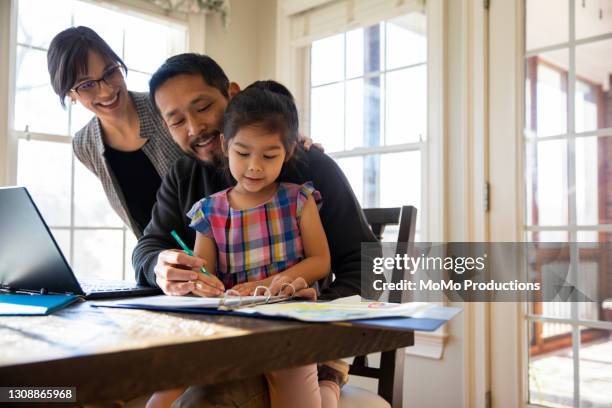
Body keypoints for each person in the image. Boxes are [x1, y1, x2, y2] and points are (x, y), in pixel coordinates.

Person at [133, 53, 380, 407]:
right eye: (176, 120)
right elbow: (149, 245)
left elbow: (366, 265)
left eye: (202, 107)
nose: (194, 128)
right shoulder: (185, 178)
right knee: (108, 388)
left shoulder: (307, 173)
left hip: (293, 339)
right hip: (226, 334)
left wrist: (301, 310)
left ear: (232, 95)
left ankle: (327, 382)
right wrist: (160, 266)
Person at [47, 26, 183, 237]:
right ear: (70, 94)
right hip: (157, 259)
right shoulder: (84, 145)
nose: (107, 90)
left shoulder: (164, 107)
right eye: (87, 84)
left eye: (110, 71)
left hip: (215, 246)